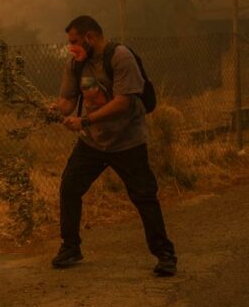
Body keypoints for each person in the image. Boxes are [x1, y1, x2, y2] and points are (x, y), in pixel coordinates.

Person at [49, 16, 177, 276]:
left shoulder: (120, 57)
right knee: (70, 188)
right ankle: (71, 247)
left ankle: (165, 255)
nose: (71, 47)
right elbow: (67, 101)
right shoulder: (75, 64)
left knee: (144, 197)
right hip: (93, 141)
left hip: (127, 141)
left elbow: (124, 103)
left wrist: (84, 120)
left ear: (90, 37)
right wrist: (53, 111)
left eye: (74, 41)